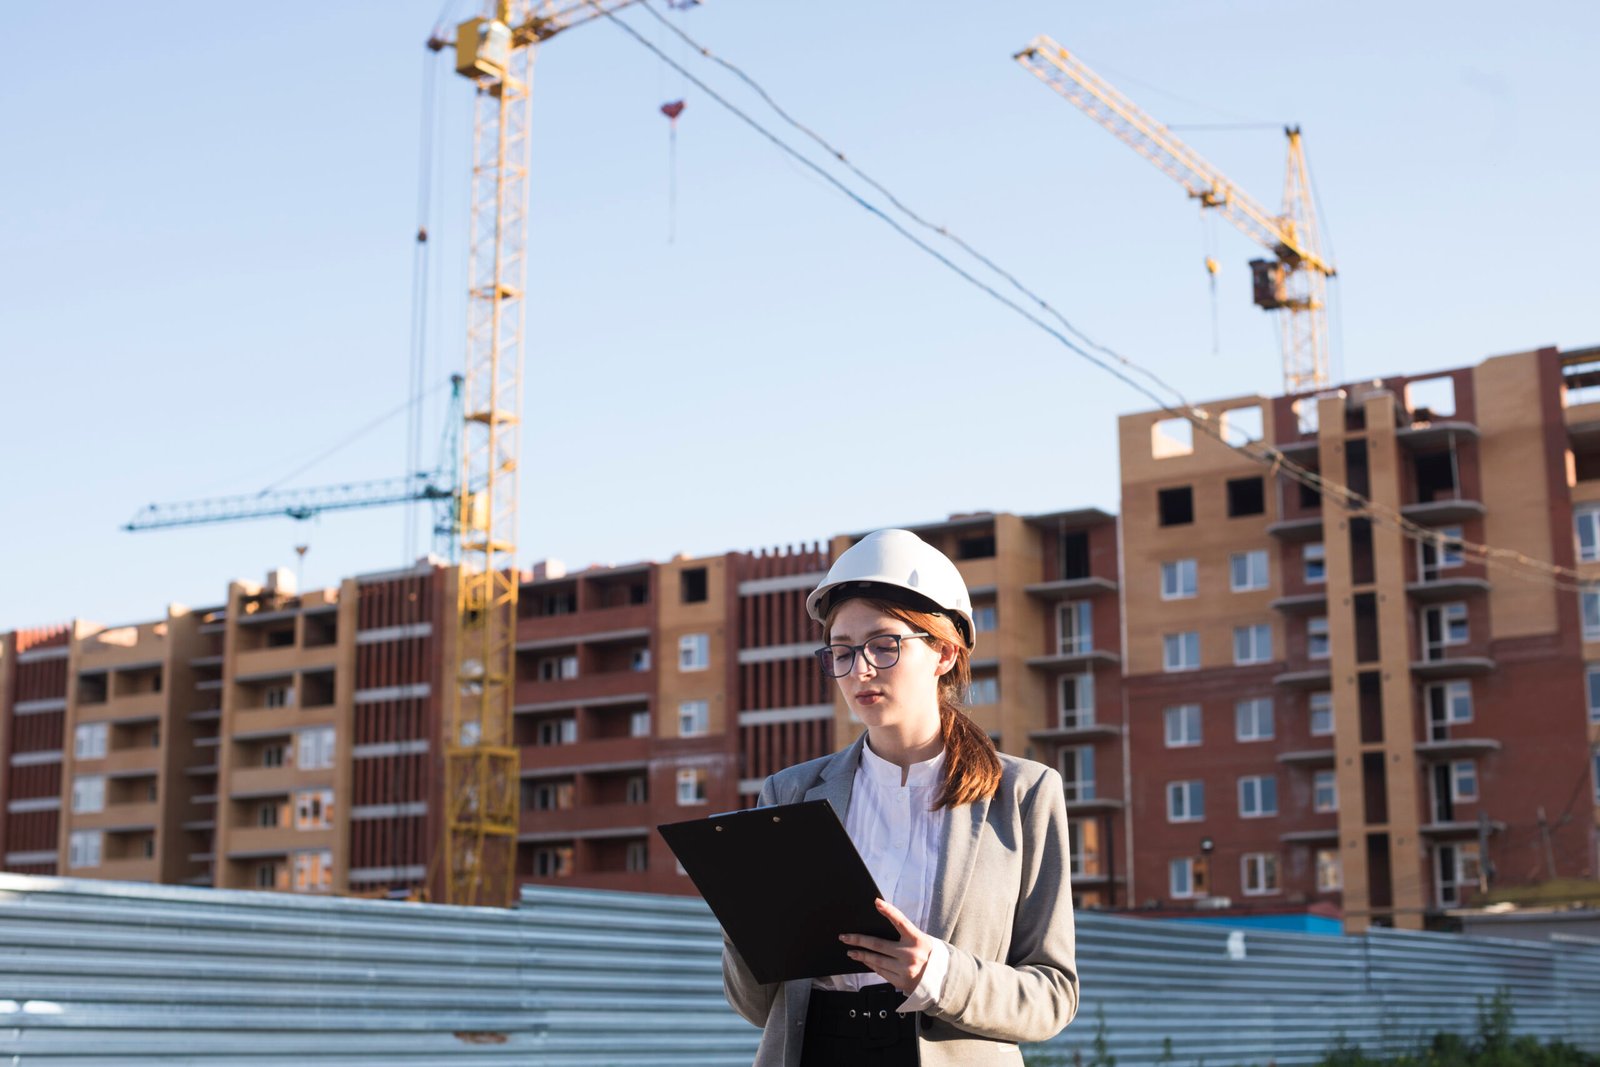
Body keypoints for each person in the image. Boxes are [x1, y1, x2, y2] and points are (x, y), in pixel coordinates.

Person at [723, 528, 1078, 1066]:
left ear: (943, 651)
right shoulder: (788, 793)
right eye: (841, 652)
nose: (859, 670)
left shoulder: (1025, 795)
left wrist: (936, 972)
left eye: (883, 646)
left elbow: (1052, 997)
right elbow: (754, 1007)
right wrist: (748, 920)